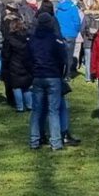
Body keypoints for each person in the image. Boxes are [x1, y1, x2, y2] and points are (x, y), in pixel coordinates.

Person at [28, 13, 66, 150]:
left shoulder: (32, 40)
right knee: (53, 110)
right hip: (53, 75)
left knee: (36, 110)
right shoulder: (55, 40)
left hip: (38, 75)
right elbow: (63, 59)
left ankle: (34, 140)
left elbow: (28, 58)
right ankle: (55, 141)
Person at [2, 15, 34, 113]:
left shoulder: (9, 39)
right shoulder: (28, 37)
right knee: (26, 86)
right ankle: (30, 105)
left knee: (16, 86)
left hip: (14, 64)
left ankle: (20, 107)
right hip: (27, 63)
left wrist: (6, 63)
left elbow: (6, 54)